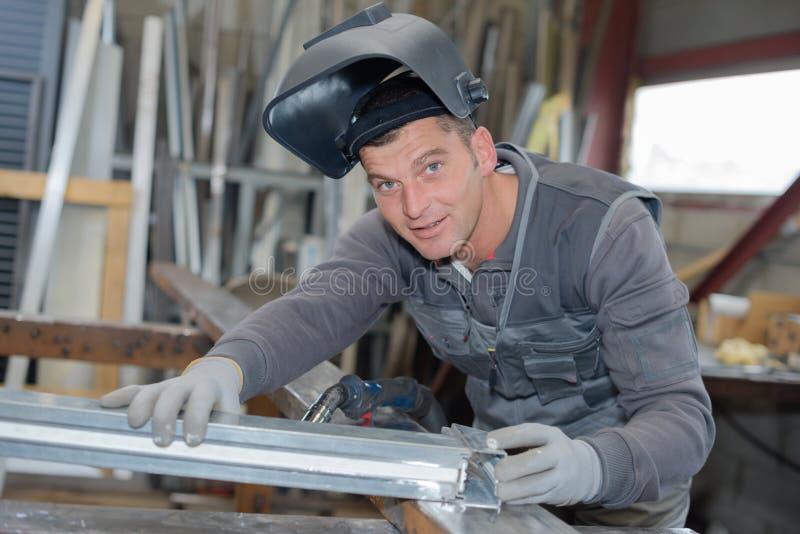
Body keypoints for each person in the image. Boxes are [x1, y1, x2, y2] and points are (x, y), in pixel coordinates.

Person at [101, 4, 714, 527]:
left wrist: (590, 466)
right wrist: (224, 367)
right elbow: (314, 311)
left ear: (480, 151)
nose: (414, 207)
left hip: (627, 504)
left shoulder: (602, 229)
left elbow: (683, 421)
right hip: (502, 493)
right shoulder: (394, 237)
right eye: (386, 183)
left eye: (431, 167)